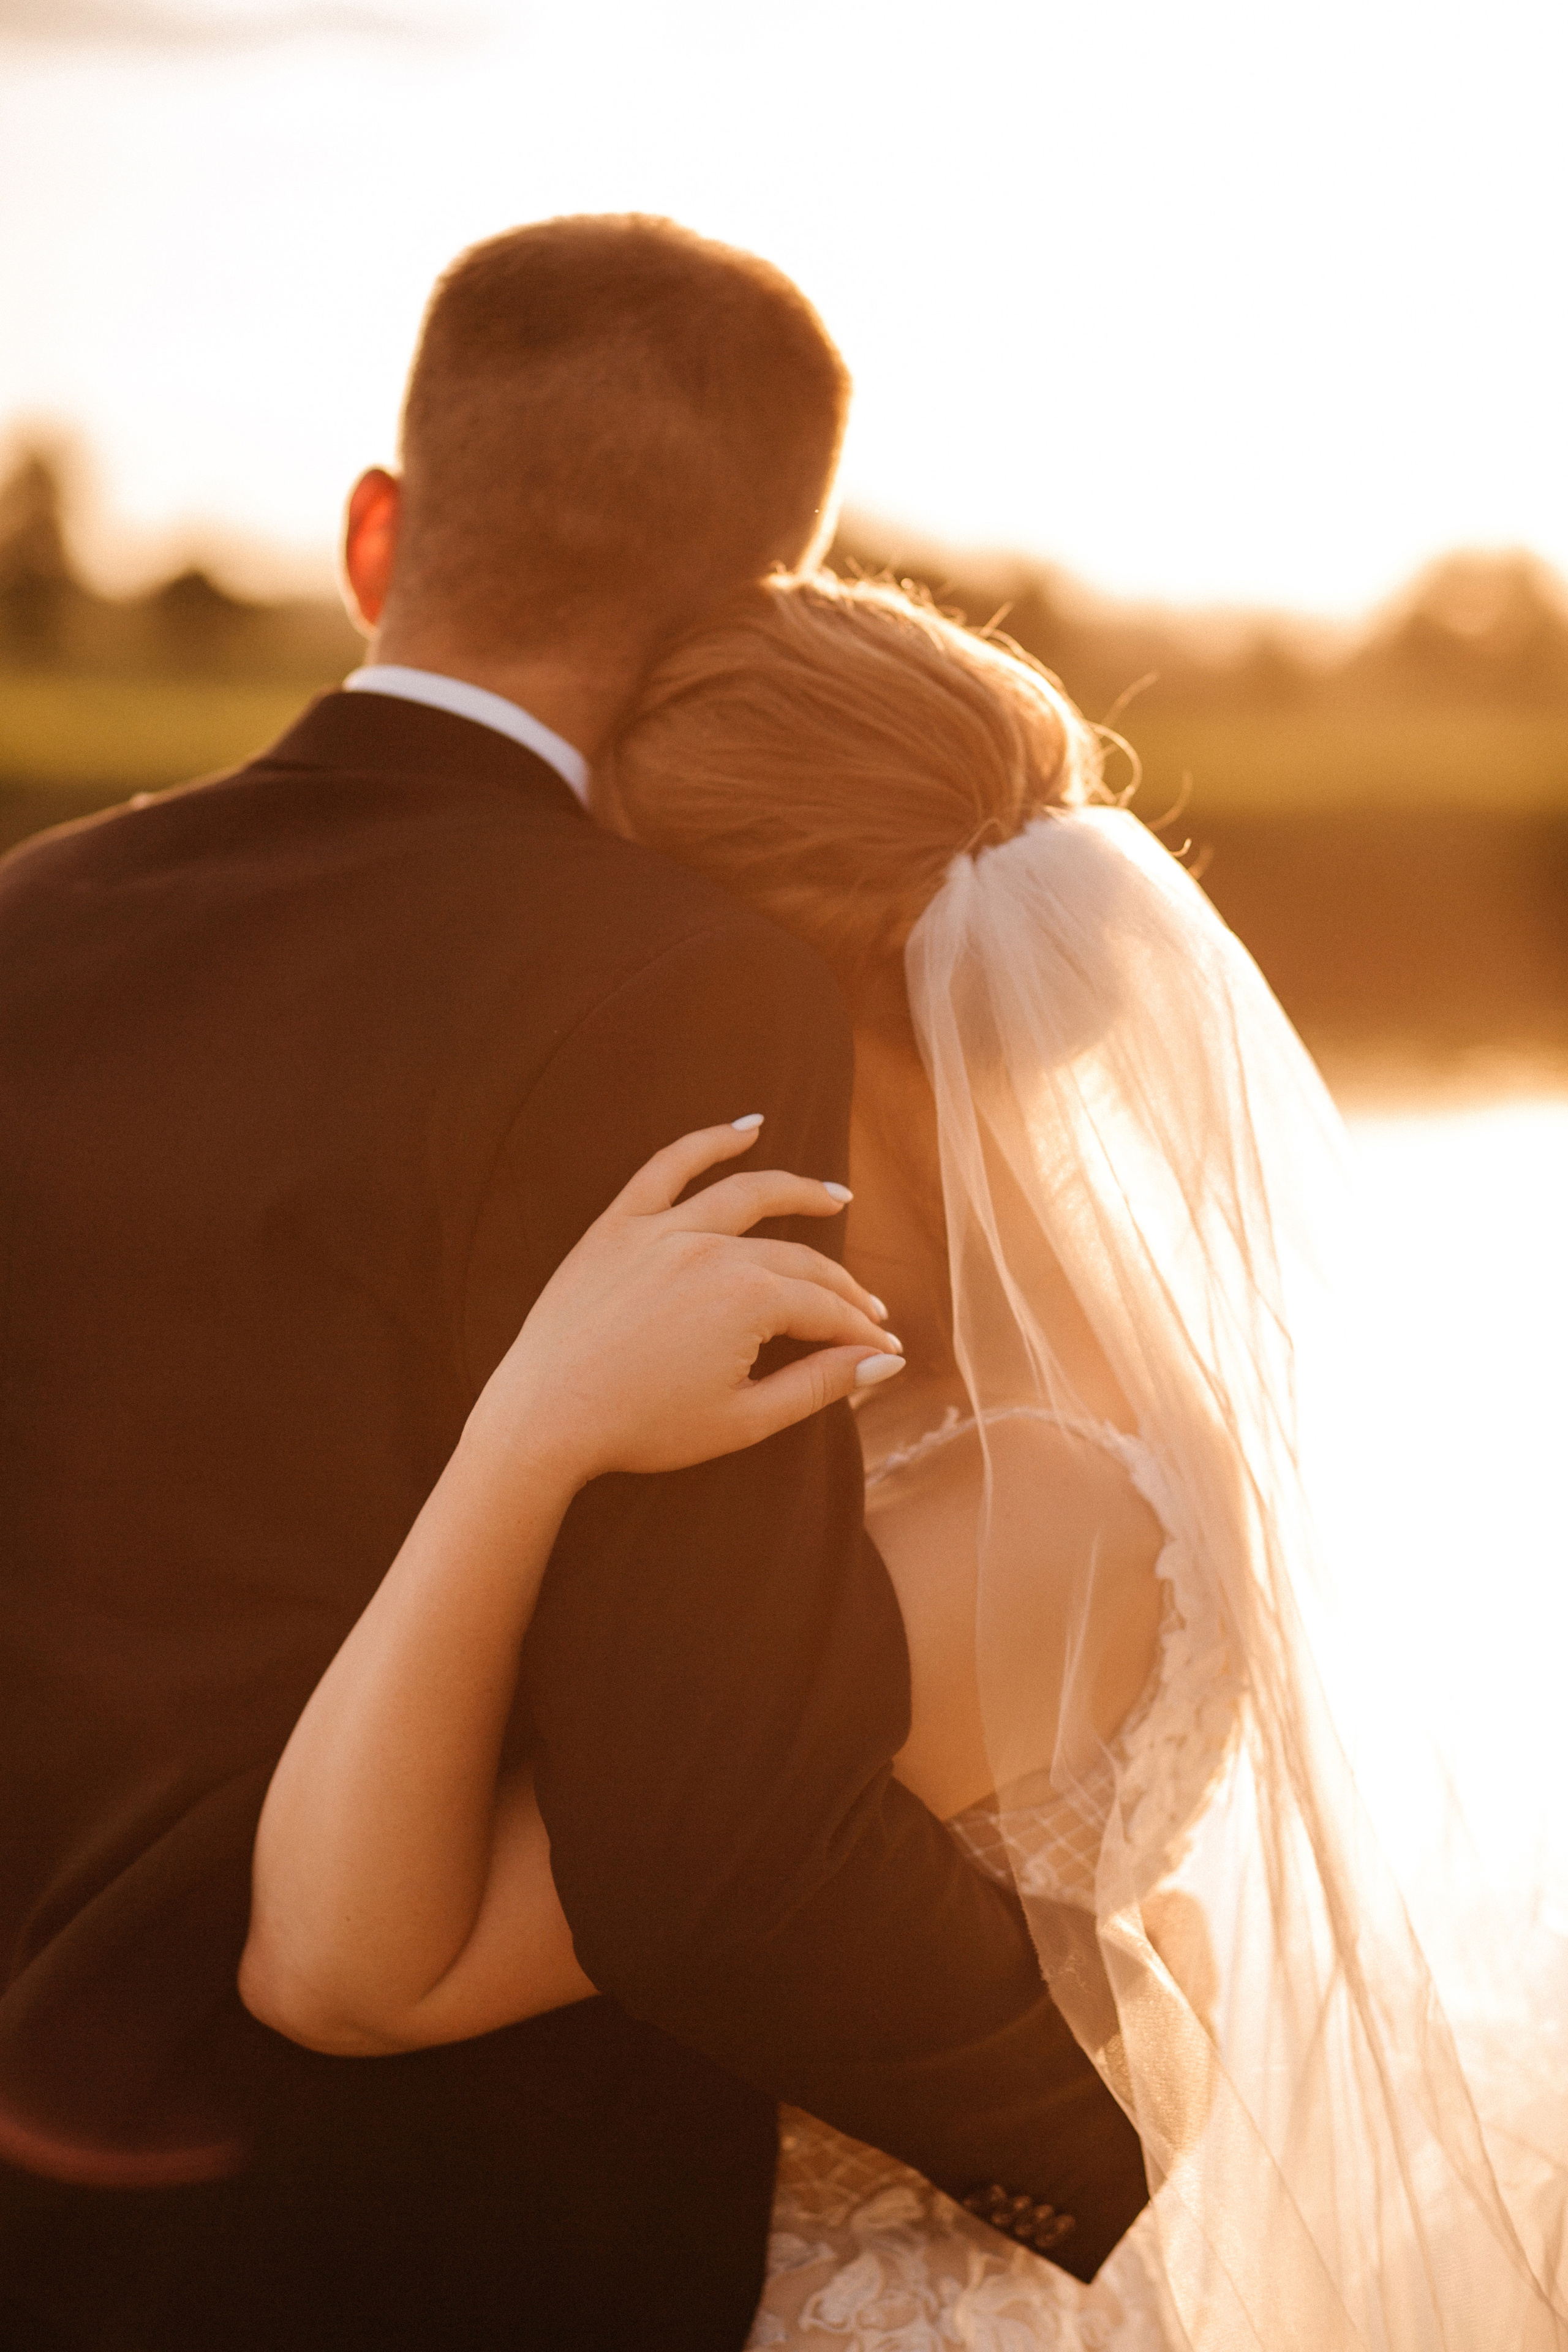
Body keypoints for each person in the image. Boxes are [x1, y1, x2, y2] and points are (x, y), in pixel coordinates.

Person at [0, 222, 1147, 2352]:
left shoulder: (26, 923)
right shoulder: (687, 984)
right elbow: (711, 1817)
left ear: (376, 532)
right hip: (474, 2250)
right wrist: (1107, 2127)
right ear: (755, 608)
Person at [247, 571, 1568, 2349]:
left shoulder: (1040, 1510)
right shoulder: (895, 1366)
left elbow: (348, 1965)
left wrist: (528, 1436)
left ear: (716, 975)